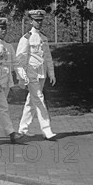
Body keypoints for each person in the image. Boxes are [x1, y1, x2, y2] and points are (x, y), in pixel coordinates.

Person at [16, 10, 57, 141]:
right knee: (39, 98)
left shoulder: (43, 38)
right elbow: (20, 59)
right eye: (36, 20)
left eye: (40, 20)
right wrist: (22, 76)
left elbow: (48, 57)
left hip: (41, 73)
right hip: (31, 73)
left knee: (31, 101)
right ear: (31, 21)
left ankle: (22, 129)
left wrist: (51, 73)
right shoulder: (26, 38)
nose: (39, 22)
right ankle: (47, 130)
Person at [0, 18, 24, 143]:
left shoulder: (8, 46)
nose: (4, 30)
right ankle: (11, 133)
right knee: (3, 107)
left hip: (6, 82)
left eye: (5, 28)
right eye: (1, 28)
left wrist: (22, 76)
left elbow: (15, 63)